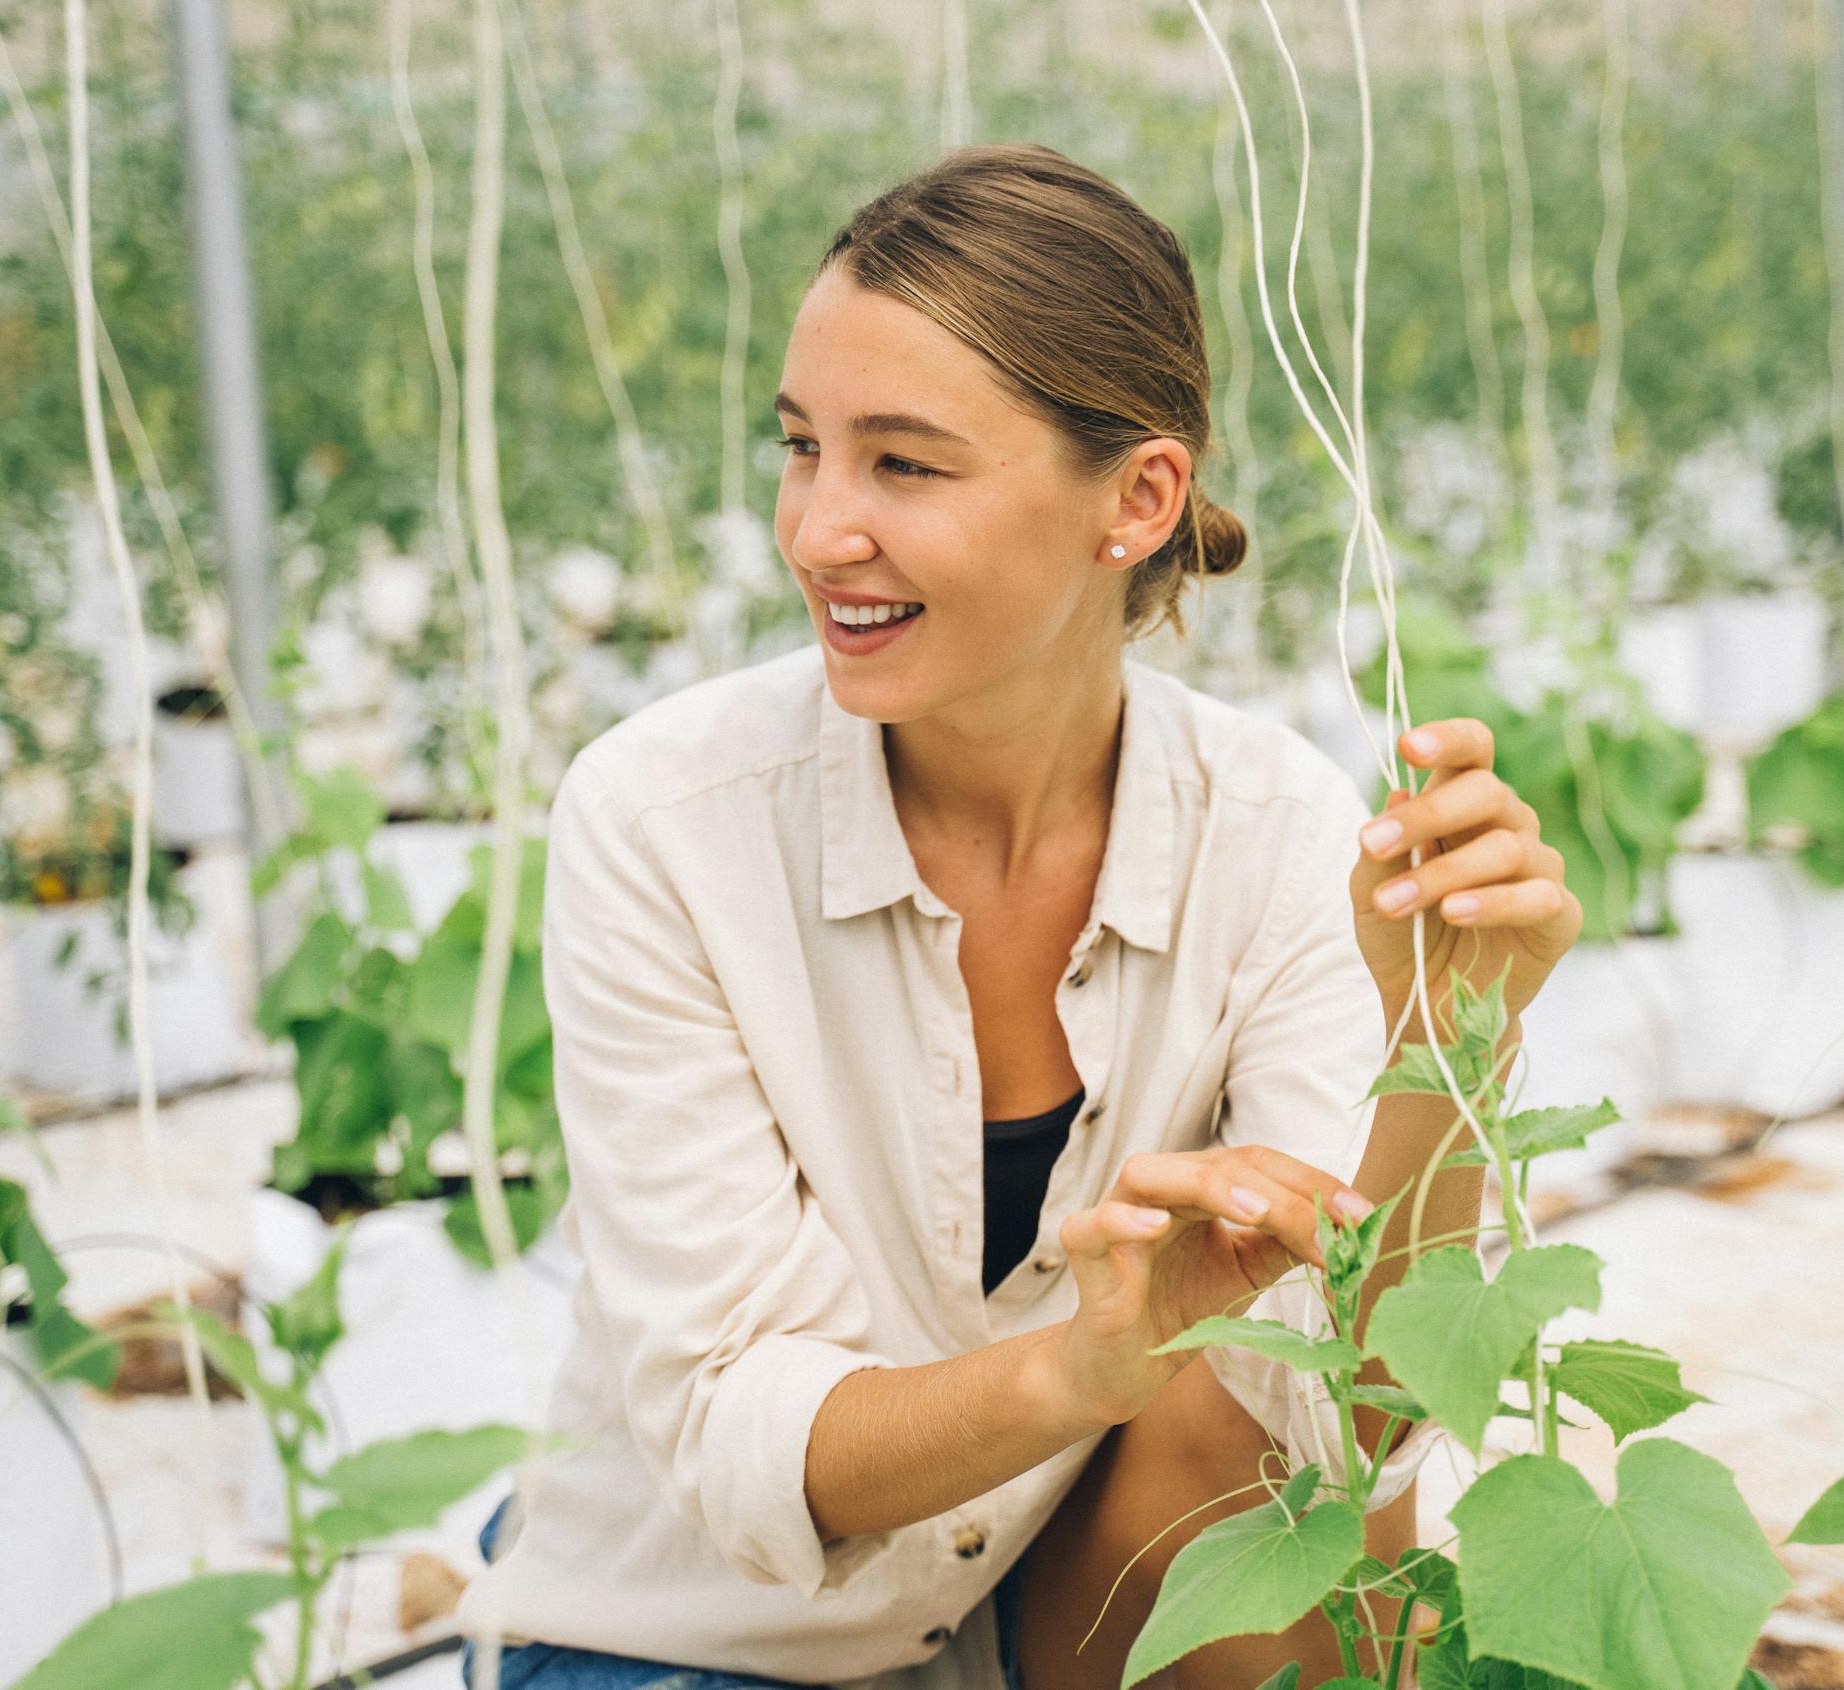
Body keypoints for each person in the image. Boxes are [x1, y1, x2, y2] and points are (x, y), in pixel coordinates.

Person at [452, 142, 1583, 1690]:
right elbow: (734, 1425)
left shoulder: (1281, 834)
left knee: (1261, 1439)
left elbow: (1351, 1422)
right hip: (701, 1632)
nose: (817, 530)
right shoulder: (663, 820)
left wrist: (1449, 1043)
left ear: (1139, 496)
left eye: (904, 465)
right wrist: (1076, 1367)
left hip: (1049, 1607)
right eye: (802, 448)